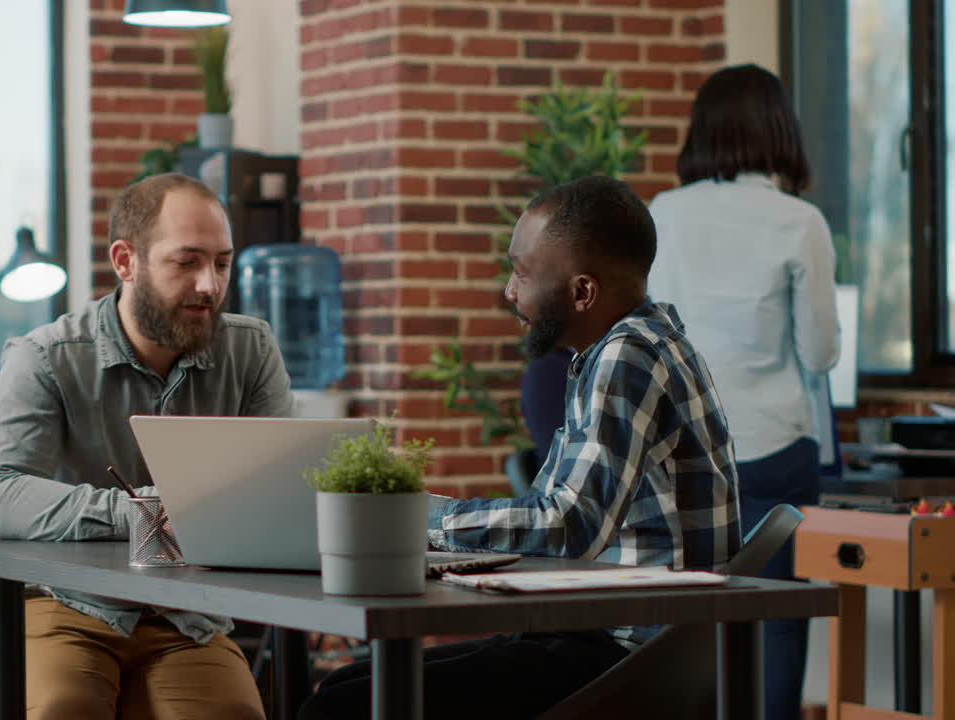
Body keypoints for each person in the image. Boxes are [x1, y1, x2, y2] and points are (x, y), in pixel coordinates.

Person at [299, 175, 741, 720]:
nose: (510, 291)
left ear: (582, 291)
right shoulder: (632, 345)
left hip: (630, 654)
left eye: (522, 273)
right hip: (612, 635)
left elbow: (567, 525)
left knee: (344, 704)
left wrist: (412, 517)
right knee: (350, 681)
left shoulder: (627, 356)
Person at [0, 172, 294, 720]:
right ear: (126, 261)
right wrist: (143, 511)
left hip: (185, 614)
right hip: (53, 603)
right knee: (62, 709)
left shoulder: (251, 349)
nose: (210, 285)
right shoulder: (45, 356)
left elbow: (281, 490)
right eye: (186, 262)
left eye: (222, 263)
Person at [646, 63, 840, 720]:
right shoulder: (800, 221)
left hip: (678, 456)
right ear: (779, 129)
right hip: (773, 449)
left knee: (676, 623)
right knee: (777, 621)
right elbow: (820, 353)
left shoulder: (660, 214)